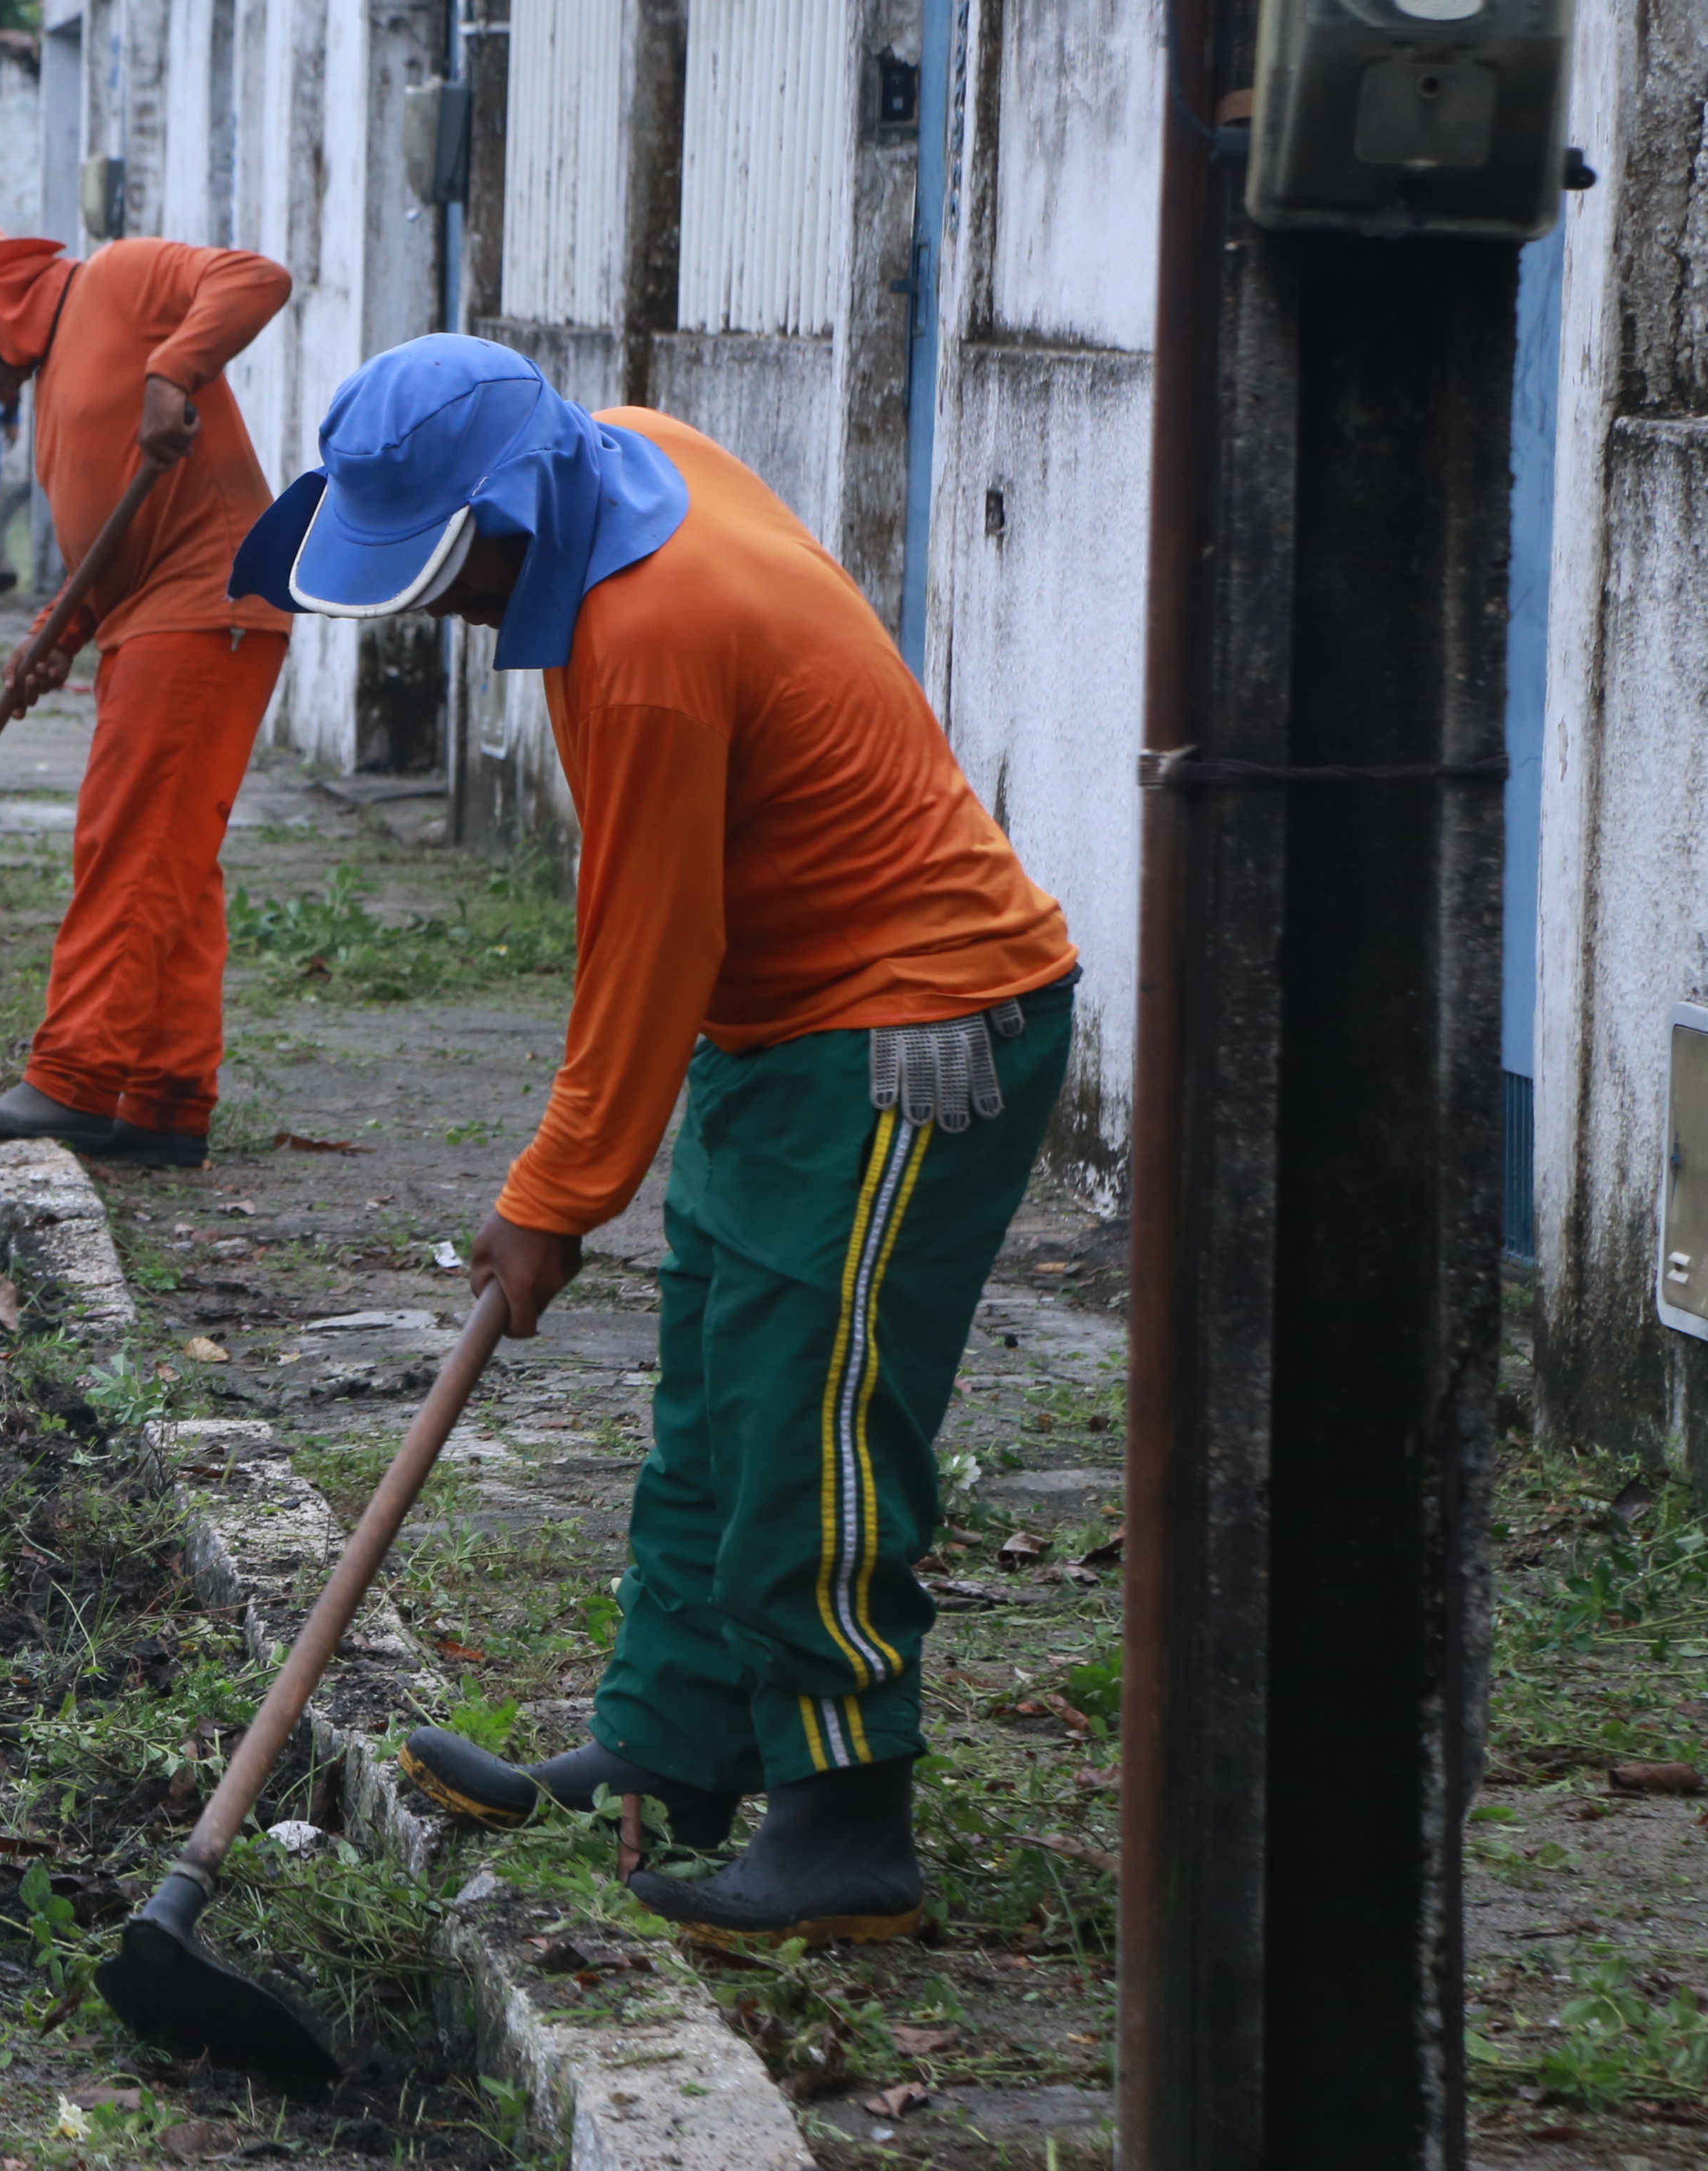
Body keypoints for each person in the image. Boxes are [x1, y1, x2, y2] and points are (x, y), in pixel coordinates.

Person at [225, 333, 1079, 1947]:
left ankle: (841, 1822)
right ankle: (669, 1743)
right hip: (787, 1024)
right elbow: (670, 952)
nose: (446, 609)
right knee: (710, 1374)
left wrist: (550, 1199)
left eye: (446, 571)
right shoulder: (619, 451)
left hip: (911, 1027)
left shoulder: (645, 637)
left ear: (508, 511)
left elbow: (643, 948)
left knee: (803, 1413)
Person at [0, 221, 292, 1170]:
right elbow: (107, 550)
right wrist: (58, 632)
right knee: (171, 860)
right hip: (151, 613)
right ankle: (163, 1100)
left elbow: (256, 278)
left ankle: (73, 1080)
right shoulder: (56, 394)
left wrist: (174, 374)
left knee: (127, 840)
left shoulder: (116, 278)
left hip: (208, 604)